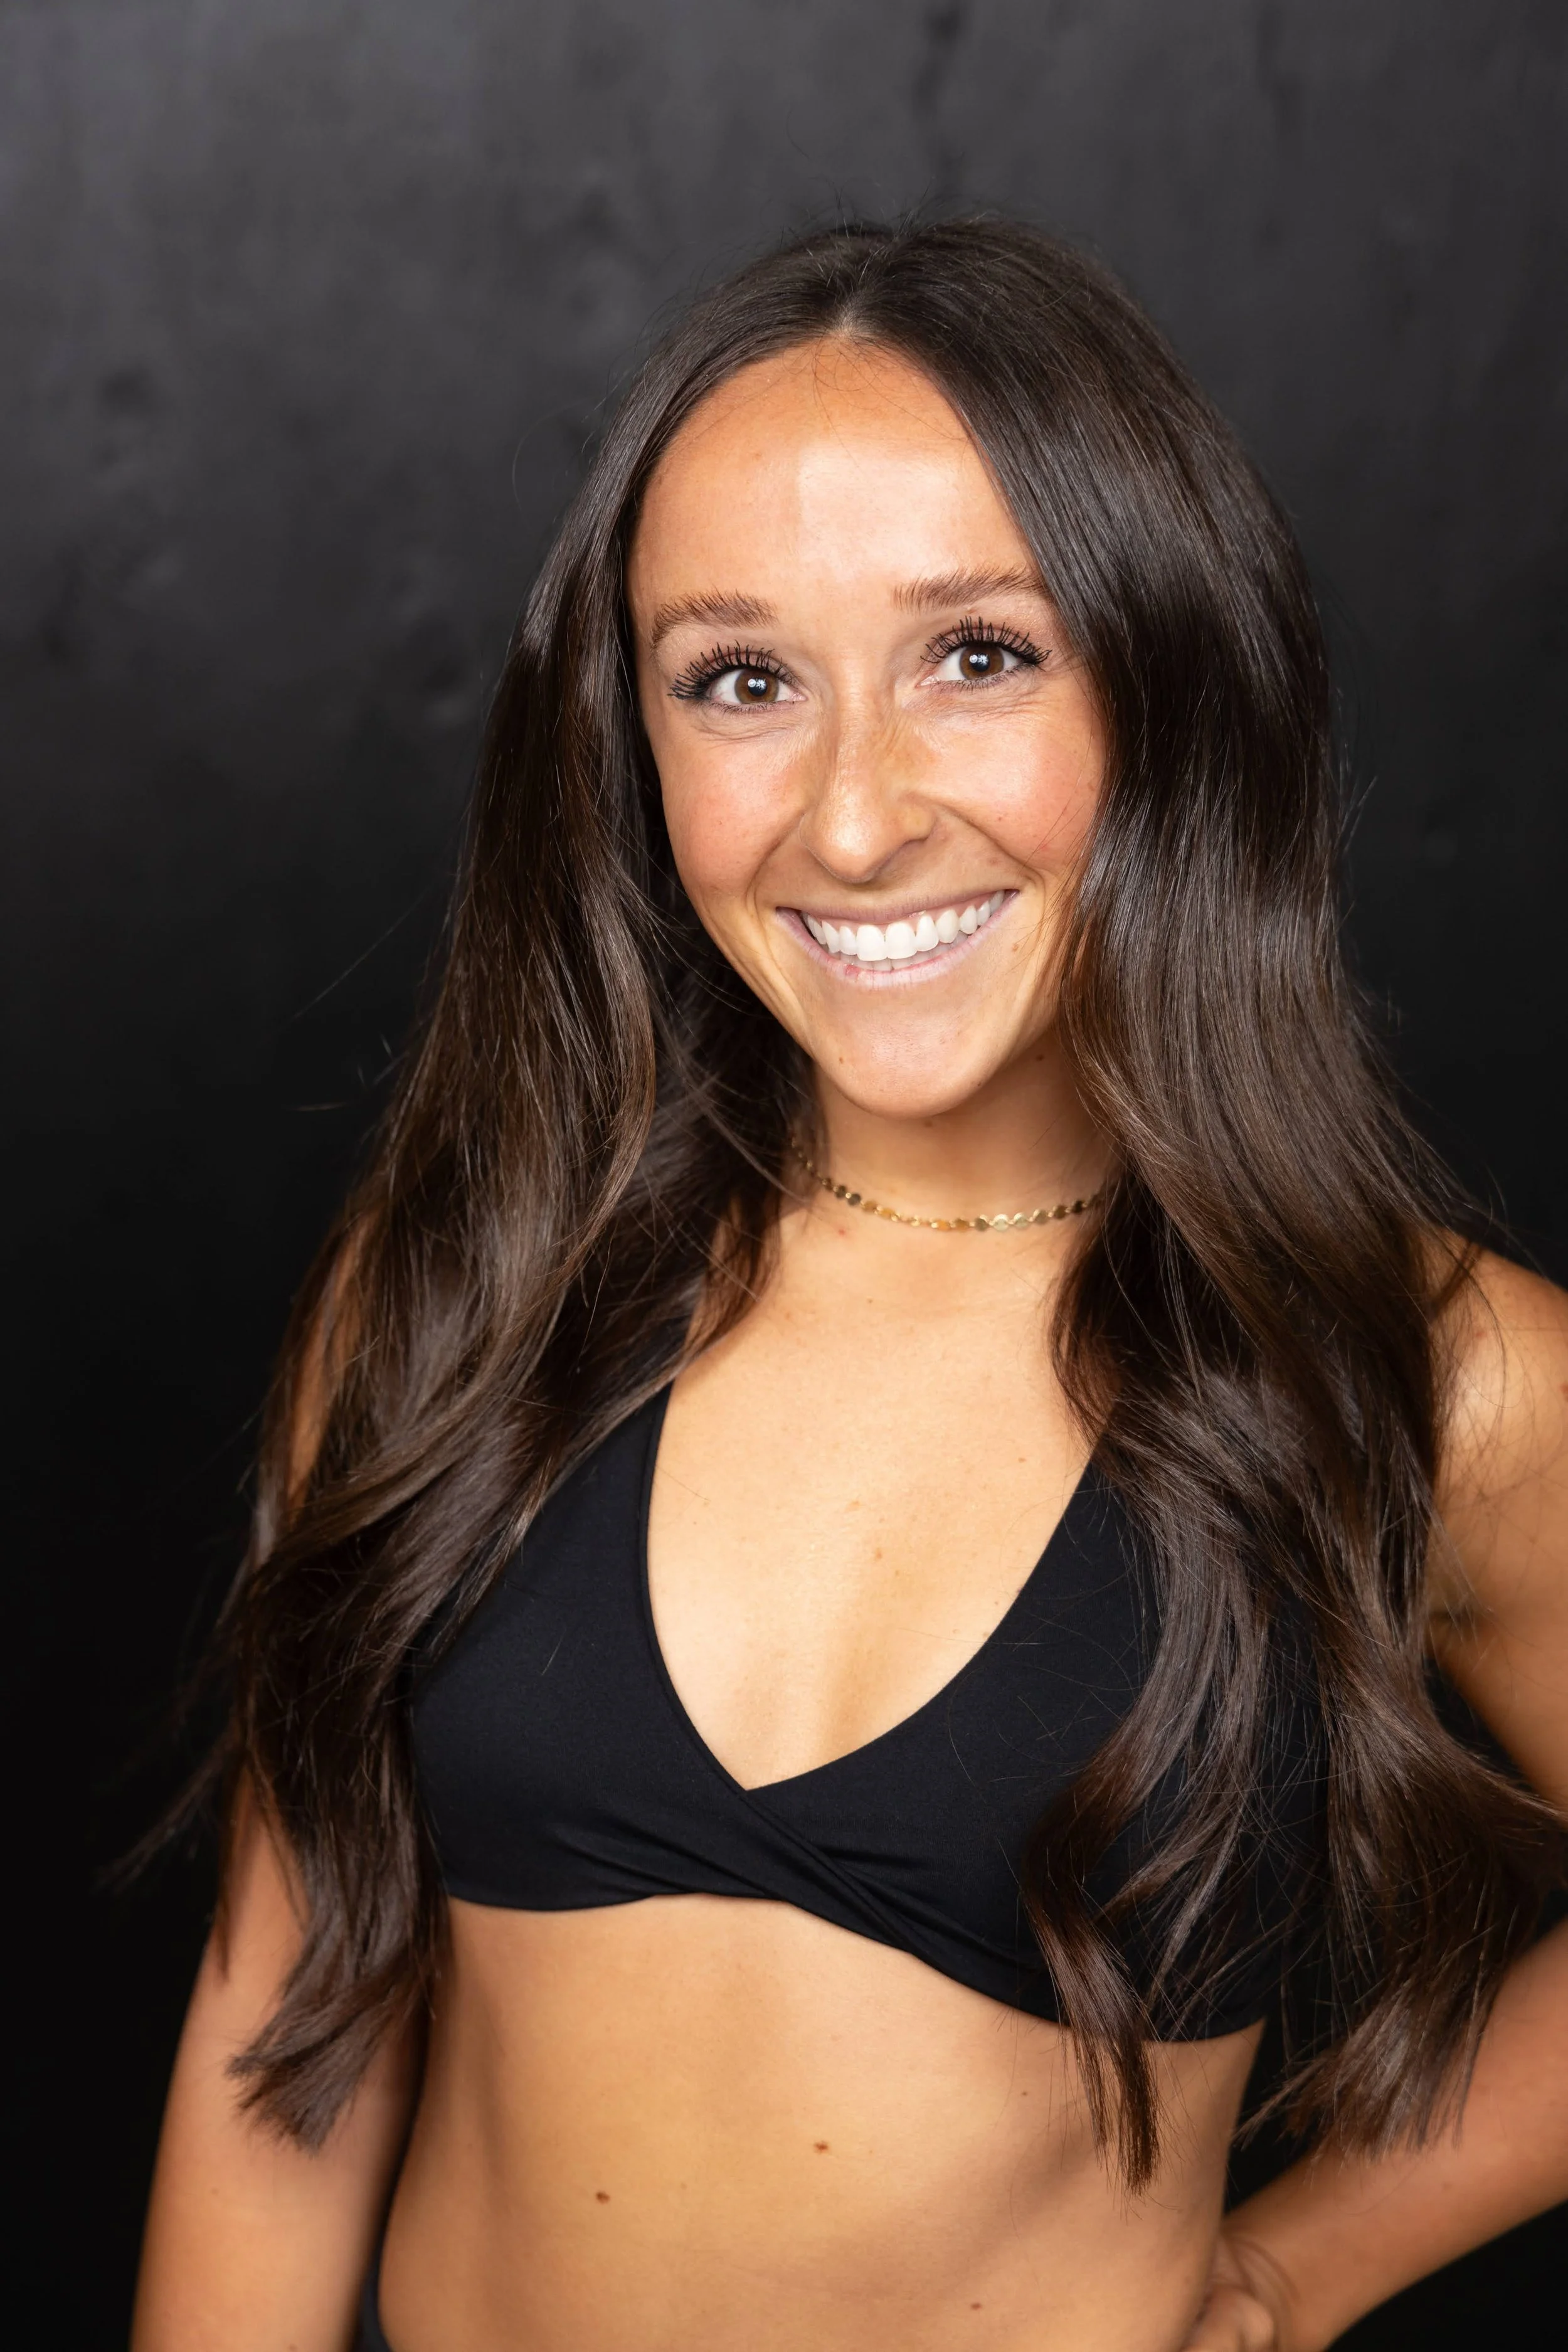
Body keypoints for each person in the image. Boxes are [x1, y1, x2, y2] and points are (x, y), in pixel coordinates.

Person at [132, 218, 1568, 2352]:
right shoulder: (469, 1282)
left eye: (977, 653)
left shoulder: (1433, 1379)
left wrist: (1311, 2253)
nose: (857, 814)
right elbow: (287, 2023)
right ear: (629, 741)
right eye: (740, 679)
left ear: (1168, 678)